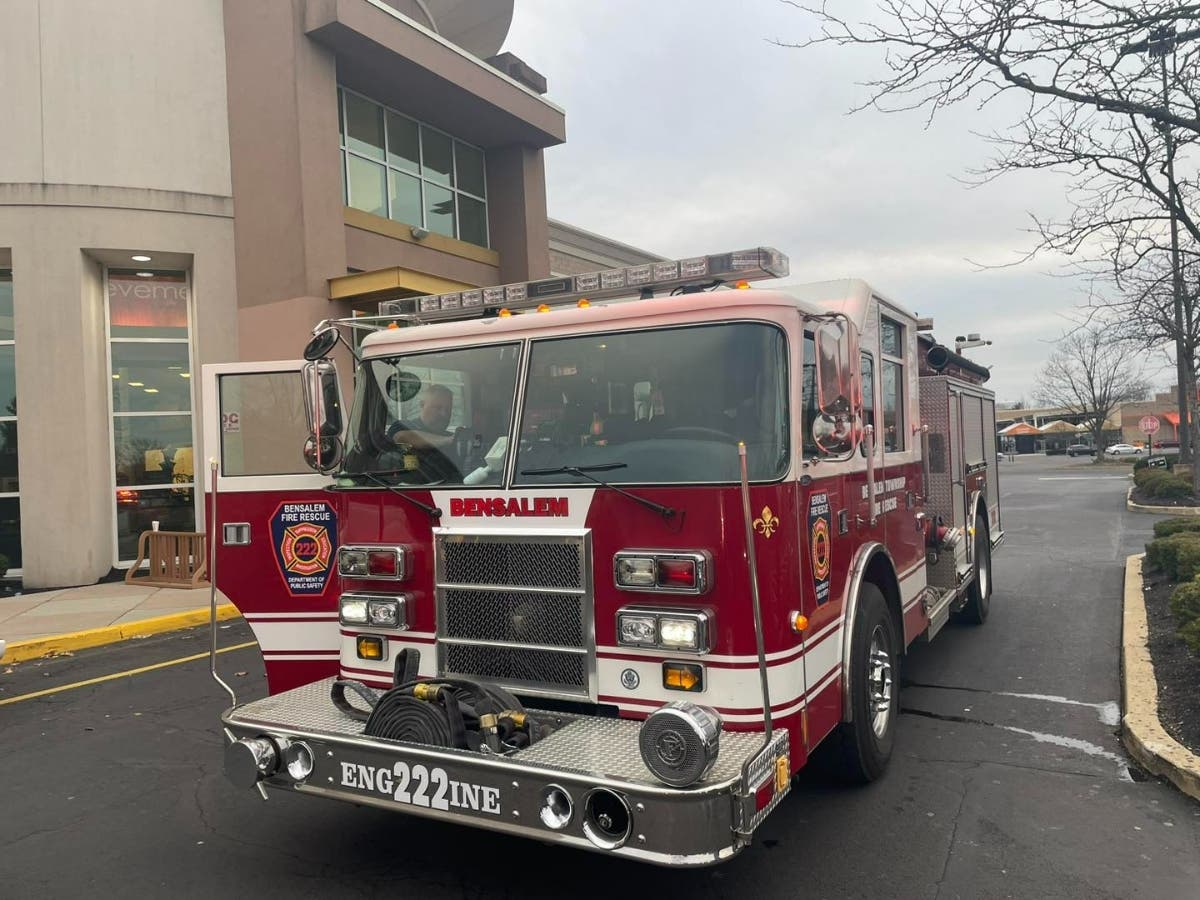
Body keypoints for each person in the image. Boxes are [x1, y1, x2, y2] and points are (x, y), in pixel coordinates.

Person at [385, 384, 463, 480]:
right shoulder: (402, 426)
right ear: (422, 405)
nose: (444, 414)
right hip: (406, 492)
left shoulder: (455, 439)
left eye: (448, 409)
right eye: (437, 408)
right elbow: (402, 438)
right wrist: (449, 440)